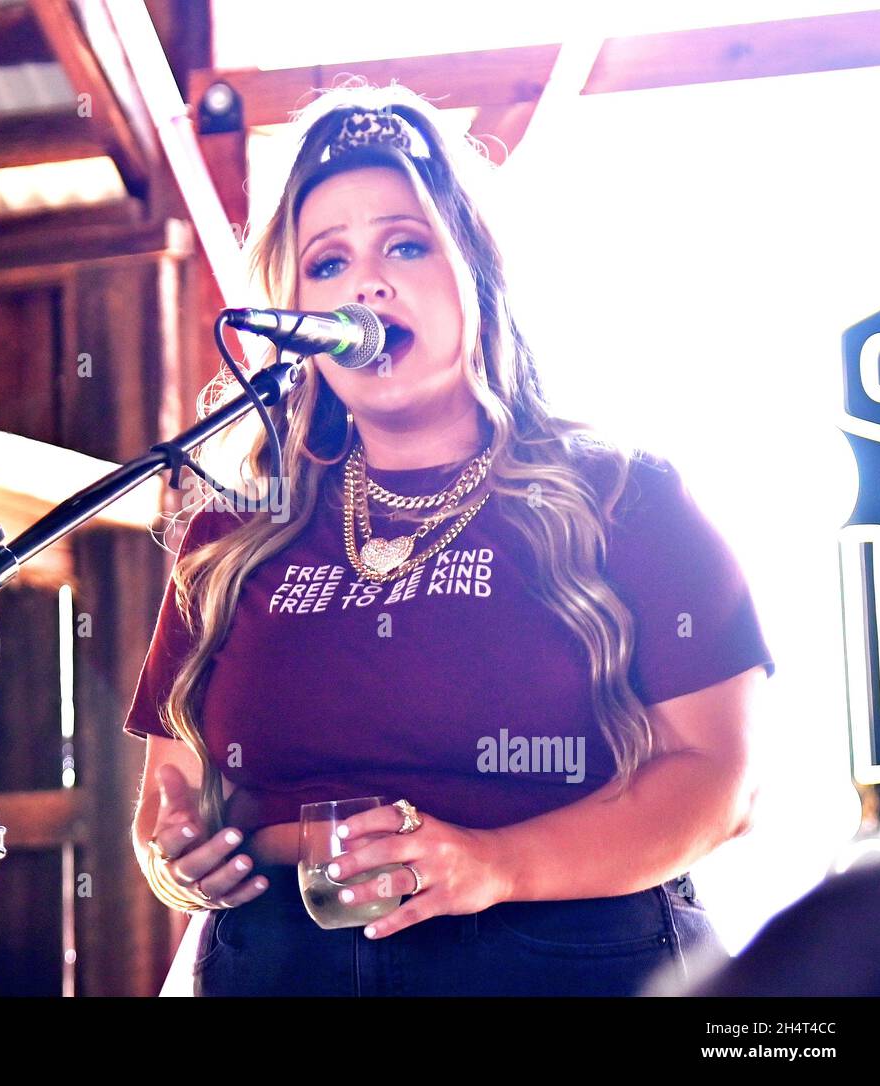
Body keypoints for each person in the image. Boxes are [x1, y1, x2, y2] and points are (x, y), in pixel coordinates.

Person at [122, 82, 775, 997]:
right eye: (328, 263)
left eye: (405, 244)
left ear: (475, 271)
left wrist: (496, 865)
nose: (366, 283)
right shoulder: (233, 532)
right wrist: (176, 857)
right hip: (280, 967)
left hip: (564, 964)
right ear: (296, 315)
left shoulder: (625, 493)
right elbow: (171, 805)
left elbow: (722, 782)